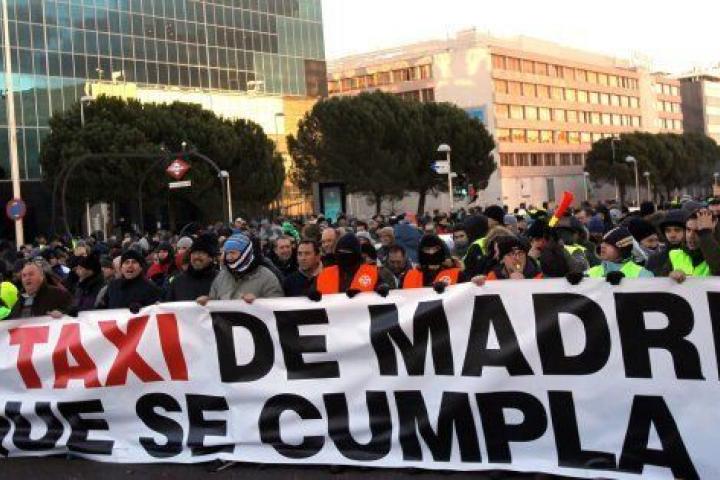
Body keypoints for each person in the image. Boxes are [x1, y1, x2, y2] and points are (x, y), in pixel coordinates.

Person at [200, 233, 283, 304]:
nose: (228, 257)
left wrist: (258, 302)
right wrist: (208, 301)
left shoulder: (267, 277)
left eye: (233, 253)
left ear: (246, 253)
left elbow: (276, 305)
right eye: (227, 253)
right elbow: (214, 299)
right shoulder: (221, 276)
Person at [311, 233, 392, 299]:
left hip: (360, 313)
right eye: (341, 252)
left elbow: (383, 288)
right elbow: (310, 292)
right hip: (331, 313)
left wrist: (382, 288)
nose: (344, 255)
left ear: (357, 255)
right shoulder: (325, 273)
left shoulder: (371, 273)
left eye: (348, 252)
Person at [98, 250, 162, 311]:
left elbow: (157, 311)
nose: (130, 265)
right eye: (126, 262)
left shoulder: (150, 288)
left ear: (140, 268)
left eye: (134, 262)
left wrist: (143, 309)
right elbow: (101, 309)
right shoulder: (113, 286)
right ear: (121, 268)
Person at [667, 209, 720, 282]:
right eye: (688, 230)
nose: (690, 236)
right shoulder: (675, 254)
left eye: (698, 231)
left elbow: (717, 269)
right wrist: (671, 275)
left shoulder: (715, 255)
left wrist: (705, 233)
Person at [585, 227, 653, 283]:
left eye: (609, 243)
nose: (602, 246)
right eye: (602, 242)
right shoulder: (590, 273)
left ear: (623, 249)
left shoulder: (643, 275)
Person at [165, 234, 219, 302]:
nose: (196, 257)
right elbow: (169, 304)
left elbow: (227, 302)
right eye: (194, 253)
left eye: (201, 253)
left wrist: (211, 300)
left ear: (210, 258)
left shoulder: (220, 280)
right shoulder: (178, 281)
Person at [478, 236, 543, 282]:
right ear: (503, 259)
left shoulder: (540, 277)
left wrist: (523, 284)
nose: (517, 258)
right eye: (511, 254)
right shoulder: (494, 276)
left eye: (521, 253)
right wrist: (479, 284)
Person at [646, 210, 687, 276]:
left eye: (677, 230)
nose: (672, 235)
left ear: (686, 231)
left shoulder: (695, 256)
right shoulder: (654, 259)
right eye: (668, 231)